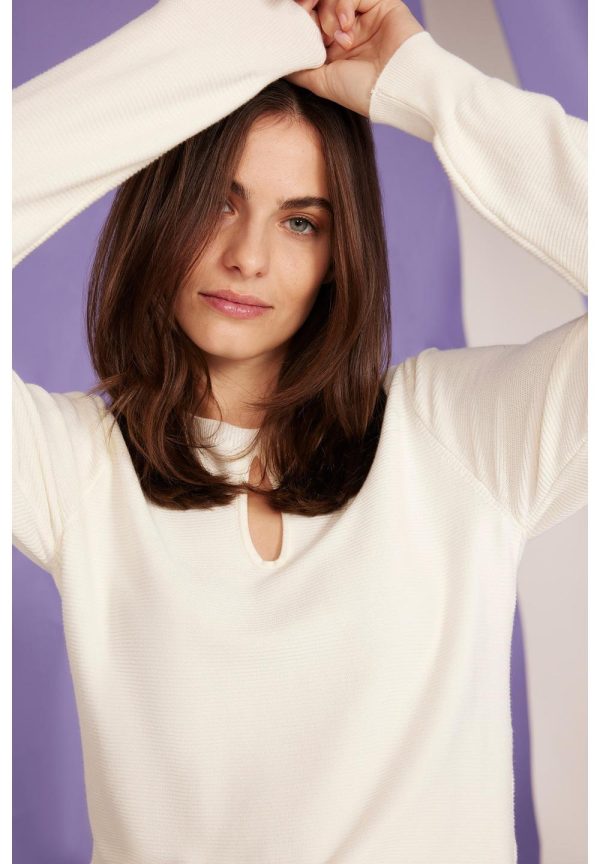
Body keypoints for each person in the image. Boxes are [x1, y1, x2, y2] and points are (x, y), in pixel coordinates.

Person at [12, 0, 587, 861]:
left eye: (300, 221)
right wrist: (232, 35)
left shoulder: (461, 441)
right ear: (163, 209)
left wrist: (425, 84)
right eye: (218, 202)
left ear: (336, 257)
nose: (248, 256)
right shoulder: (73, 470)